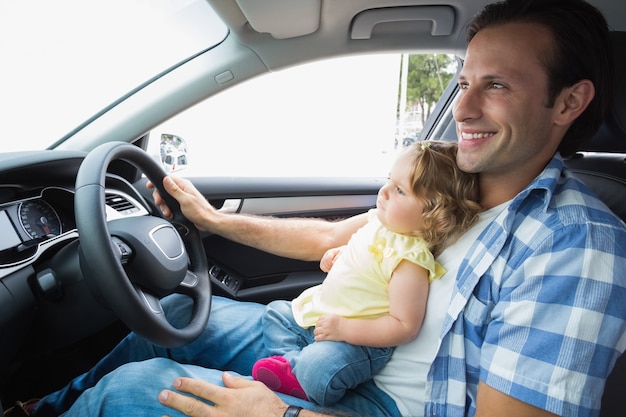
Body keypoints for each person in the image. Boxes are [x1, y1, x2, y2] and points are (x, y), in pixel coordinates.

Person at [15, 0, 626, 416]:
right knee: (172, 313)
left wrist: (278, 412)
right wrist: (213, 220)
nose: (464, 108)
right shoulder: (457, 185)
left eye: (497, 85)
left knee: (136, 391)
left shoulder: (575, 245)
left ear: (568, 101)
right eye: (465, 82)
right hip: (311, 334)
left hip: (371, 396)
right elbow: (333, 237)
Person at [251, 141, 480, 405]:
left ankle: (301, 374)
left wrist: (345, 329)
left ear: (432, 215)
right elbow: (363, 253)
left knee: (319, 371)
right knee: (276, 312)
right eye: (388, 181)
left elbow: (404, 327)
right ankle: (290, 364)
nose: (383, 192)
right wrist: (338, 254)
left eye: (399, 191)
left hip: (359, 340)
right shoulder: (379, 222)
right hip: (322, 315)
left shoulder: (410, 260)